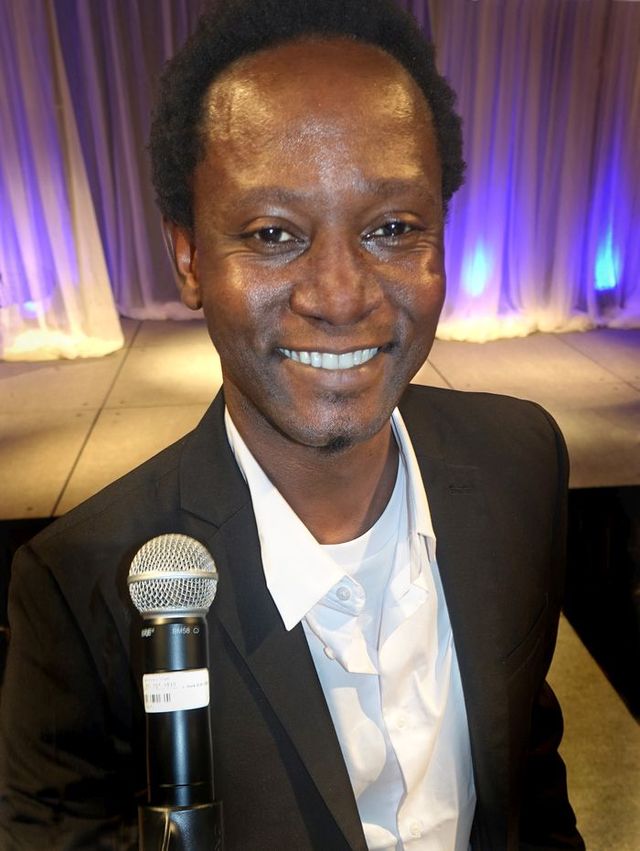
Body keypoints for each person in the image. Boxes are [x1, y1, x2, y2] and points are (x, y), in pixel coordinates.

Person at [0, 1, 585, 849]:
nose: (341, 296)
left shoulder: (519, 465)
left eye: (392, 228)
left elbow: (527, 770)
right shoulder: (84, 589)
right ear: (190, 258)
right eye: (274, 233)